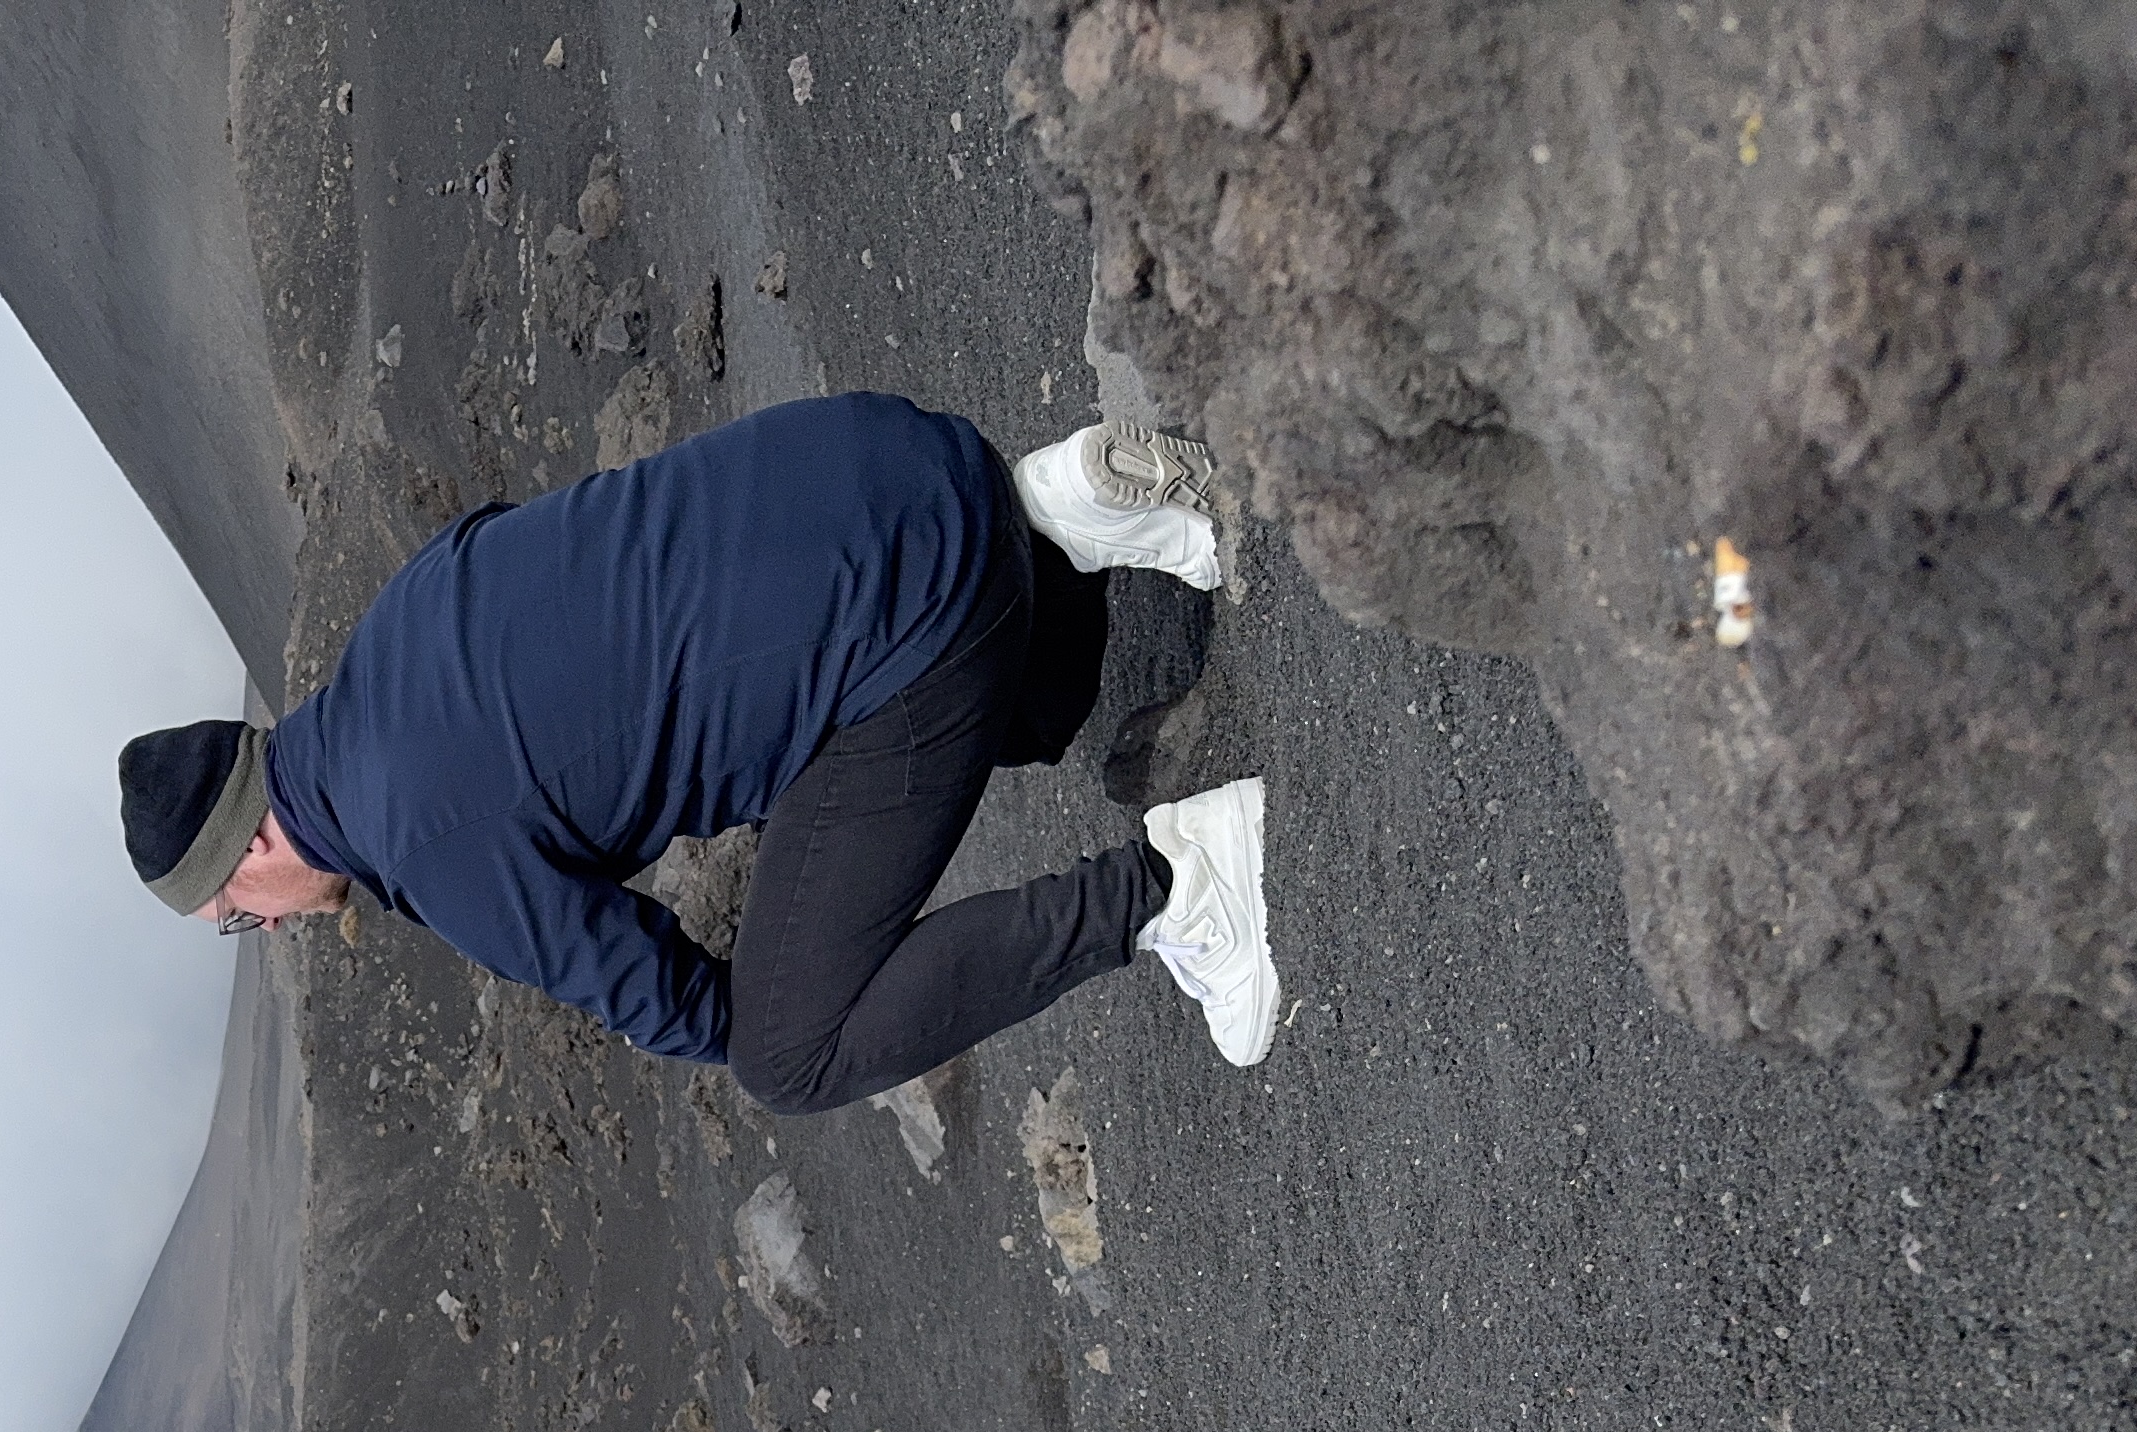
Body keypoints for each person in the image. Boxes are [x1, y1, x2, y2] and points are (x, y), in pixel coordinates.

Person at [115, 394, 1276, 1115]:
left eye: (235, 909)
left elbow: (672, 1000)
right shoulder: (397, 623)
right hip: (891, 451)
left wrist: (821, 988)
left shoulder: (426, 846)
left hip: (911, 625)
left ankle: (1176, 890)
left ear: (253, 841)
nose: (260, 928)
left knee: (794, 1056)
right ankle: (1056, 511)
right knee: (975, 732)